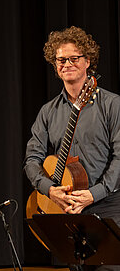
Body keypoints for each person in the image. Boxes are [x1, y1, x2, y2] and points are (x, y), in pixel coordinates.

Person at [24, 26, 120, 271]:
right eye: (60, 59)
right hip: (65, 208)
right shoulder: (48, 111)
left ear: (88, 61)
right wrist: (50, 190)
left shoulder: (112, 105)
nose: (66, 64)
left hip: (108, 204)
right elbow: (32, 159)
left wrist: (95, 193)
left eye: (74, 58)